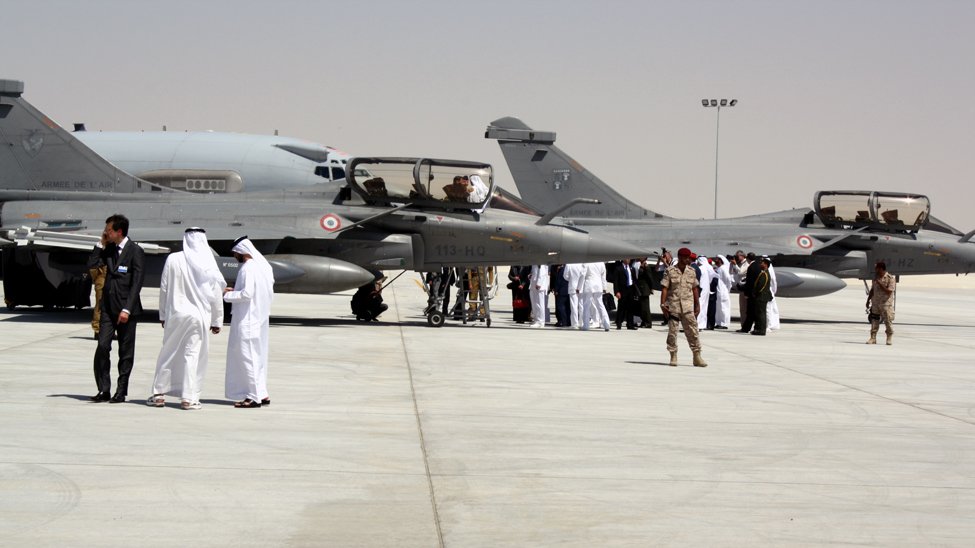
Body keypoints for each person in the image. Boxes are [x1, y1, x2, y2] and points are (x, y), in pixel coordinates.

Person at [147, 228, 225, 410]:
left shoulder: (173, 259)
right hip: (199, 318)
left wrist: (163, 315)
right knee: (192, 356)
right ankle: (188, 398)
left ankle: (158, 394)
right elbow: (215, 294)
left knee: (168, 353)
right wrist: (217, 320)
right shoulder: (208, 261)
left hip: (176, 314)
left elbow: (164, 288)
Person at [90, 214, 145, 403]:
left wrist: (127, 309)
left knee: (125, 352)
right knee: (102, 347)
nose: (106, 232)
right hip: (107, 308)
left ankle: (121, 391)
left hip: (126, 310)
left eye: (109, 230)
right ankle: (104, 389)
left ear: (119, 231)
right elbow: (92, 264)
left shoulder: (135, 251)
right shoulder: (109, 249)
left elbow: (137, 283)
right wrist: (100, 244)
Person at [224, 236, 275, 408]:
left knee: (248, 358)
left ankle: (253, 397)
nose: (234, 257)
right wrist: (235, 290)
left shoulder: (248, 268)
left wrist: (226, 295)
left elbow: (246, 294)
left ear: (240, 251)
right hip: (258, 319)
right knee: (257, 358)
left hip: (248, 320)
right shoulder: (262, 267)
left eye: (234, 254)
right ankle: (262, 393)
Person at [660, 248, 707, 367]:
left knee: (693, 331)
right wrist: (662, 304)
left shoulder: (691, 271)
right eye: (687, 258)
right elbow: (665, 288)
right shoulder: (670, 271)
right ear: (680, 257)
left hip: (687, 307)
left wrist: (697, 304)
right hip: (674, 306)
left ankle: (697, 356)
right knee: (672, 333)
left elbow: (695, 288)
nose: (689, 260)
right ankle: (673, 355)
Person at [866, 261, 896, 345]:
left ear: (880, 268)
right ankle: (873, 338)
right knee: (874, 320)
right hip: (875, 303)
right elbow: (872, 289)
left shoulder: (890, 278)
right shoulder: (875, 277)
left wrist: (880, 283)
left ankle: (889, 338)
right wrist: (868, 300)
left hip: (885, 304)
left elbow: (889, 292)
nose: (875, 270)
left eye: (876, 268)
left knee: (887, 321)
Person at [86, 235, 109, 340]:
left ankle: (109, 331)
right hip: (102, 278)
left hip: (111, 278)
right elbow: (92, 264)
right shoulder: (100, 248)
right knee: (100, 305)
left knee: (112, 306)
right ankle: (98, 330)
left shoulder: (114, 248)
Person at [737, 255, 763, 334]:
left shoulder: (751, 267)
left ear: (748, 259)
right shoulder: (758, 266)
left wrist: (746, 293)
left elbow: (750, 282)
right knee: (752, 312)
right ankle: (747, 328)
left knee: (751, 312)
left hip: (751, 294)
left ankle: (748, 328)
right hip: (756, 293)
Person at [581, 262, 611, 331]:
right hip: (598, 285)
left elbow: (582, 275)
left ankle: (586, 325)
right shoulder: (601, 263)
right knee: (600, 305)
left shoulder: (586, 263)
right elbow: (603, 276)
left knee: (586, 306)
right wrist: (604, 287)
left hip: (589, 285)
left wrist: (579, 287)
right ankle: (606, 324)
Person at [613, 259, 639, 330]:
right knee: (621, 308)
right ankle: (619, 323)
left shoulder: (631, 268)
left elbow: (634, 280)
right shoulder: (618, 269)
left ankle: (630, 324)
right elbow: (616, 281)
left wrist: (635, 290)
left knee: (630, 308)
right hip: (622, 290)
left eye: (629, 259)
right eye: (627, 259)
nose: (628, 260)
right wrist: (617, 291)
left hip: (630, 289)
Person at [750, 258, 774, 336]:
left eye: (762, 263)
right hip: (761, 296)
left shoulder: (765, 274)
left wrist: (755, 292)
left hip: (761, 296)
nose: (760, 264)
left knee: (761, 314)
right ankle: (758, 329)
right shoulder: (764, 273)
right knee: (759, 313)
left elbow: (761, 286)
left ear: (766, 265)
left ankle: (761, 330)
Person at [563, 263, 586, 328]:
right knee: (581, 306)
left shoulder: (569, 264)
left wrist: (571, 279)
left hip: (572, 286)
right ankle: (581, 322)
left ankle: (575, 324)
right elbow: (583, 275)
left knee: (574, 306)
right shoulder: (582, 264)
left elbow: (565, 276)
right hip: (581, 287)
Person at [712, 255, 733, 329]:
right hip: (718, 291)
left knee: (724, 308)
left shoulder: (723, 268)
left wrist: (727, 289)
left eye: (717, 259)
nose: (716, 260)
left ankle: (724, 323)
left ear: (720, 260)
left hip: (723, 291)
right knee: (719, 308)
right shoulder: (718, 268)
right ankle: (719, 322)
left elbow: (728, 280)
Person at [695, 256, 714, 330]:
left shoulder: (701, 268)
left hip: (702, 289)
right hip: (706, 289)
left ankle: (698, 324)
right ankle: (702, 324)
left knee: (699, 306)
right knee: (704, 307)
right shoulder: (708, 268)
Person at [635, 257, 654, 329]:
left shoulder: (646, 267)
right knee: (641, 307)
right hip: (640, 289)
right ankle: (644, 321)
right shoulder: (640, 265)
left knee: (645, 307)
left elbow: (650, 278)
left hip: (645, 289)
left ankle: (648, 323)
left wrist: (651, 288)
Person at [766, 259, 781, 331]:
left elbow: (773, 281)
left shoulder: (768, 270)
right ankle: (773, 324)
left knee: (769, 309)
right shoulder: (770, 269)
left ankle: (769, 325)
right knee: (773, 309)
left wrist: (773, 291)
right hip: (771, 291)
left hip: (769, 291)